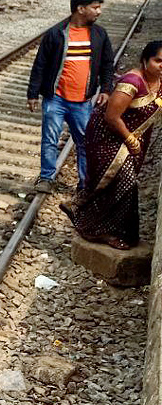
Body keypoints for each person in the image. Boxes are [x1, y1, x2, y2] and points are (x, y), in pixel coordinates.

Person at [60, 41, 162, 250]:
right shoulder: (132, 82)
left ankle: (79, 207)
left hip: (131, 138)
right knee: (124, 183)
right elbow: (112, 117)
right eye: (158, 60)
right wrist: (131, 141)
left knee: (114, 184)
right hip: (108, 137)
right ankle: (97, 230)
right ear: (145, 61)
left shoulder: (160, 80)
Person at [28, 0, 116, 193]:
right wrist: (33, 93)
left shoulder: (99, 34)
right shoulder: (56, 33)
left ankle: (85, 184)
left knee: (85, 143)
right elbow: (40, 64)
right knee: (50, 140)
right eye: (95, 7)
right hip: (56, 99)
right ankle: (46, 178)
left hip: (83, 102)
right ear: (80, 9)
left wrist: (106, 89)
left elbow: (107, 64)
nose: (99, 11)